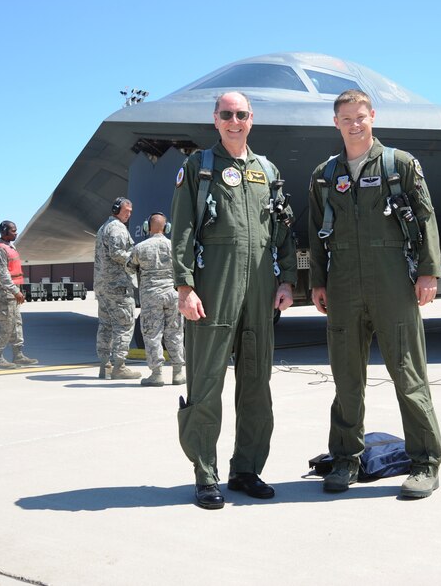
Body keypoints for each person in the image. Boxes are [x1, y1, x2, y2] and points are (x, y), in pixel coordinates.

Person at [307, 89, 441, 499]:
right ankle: (346, 459)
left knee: (408, 374)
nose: (354, 124)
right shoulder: (324, 175)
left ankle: (425, 463)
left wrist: (429, 271)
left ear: (372, 117)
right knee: (346, 378)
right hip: (343, 282)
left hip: (392, 280)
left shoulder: (399, 165)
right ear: (336, 122)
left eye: (360, 116)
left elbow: (426, 218)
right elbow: (315, 231)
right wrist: (317, 281)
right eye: (346, 118)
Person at [170, 90, 297, 510]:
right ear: (215, 119)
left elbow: (282, 229)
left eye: (241, 114)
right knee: (206, 382)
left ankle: (246, 469)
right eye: (226, 114)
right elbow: (182, 229)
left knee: (257, 384)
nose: (234, 121)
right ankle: (205, 474)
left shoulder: (267, 170)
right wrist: (185, 286)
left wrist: (287, 280)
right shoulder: (199, 167)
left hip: (260, 290)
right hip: (214, 287)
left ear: (251, 119)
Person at [127, 212, 186, 387]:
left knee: (152, 334)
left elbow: (129, 268)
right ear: (166, 228)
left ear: (147, 227)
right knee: (175, 333)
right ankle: (178, 373)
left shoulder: (140, 247)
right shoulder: (173, 246)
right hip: (172, 294)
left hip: (151, 296)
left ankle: (157, 374)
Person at [94, 197, 141, 380]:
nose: (129, 215)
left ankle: (105, 365)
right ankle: (119, 367)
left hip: (103, 286)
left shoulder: (103, 227)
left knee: (105, 325)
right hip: (118, 286)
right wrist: (136, 259)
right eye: (126, 211)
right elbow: (117, 254)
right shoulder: (117, 228)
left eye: (130, 212)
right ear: (116, 210)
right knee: (124, 324)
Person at [0, 220, 38, 369]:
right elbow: (2, 274)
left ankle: (18, 355)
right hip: (5, 292)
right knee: (5, 323)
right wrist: (15, 291)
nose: (16, 233)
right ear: (5, 232)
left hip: (13, 291)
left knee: (16, 323)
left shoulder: (10, 247)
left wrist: (17, 290)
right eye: (13, 230)